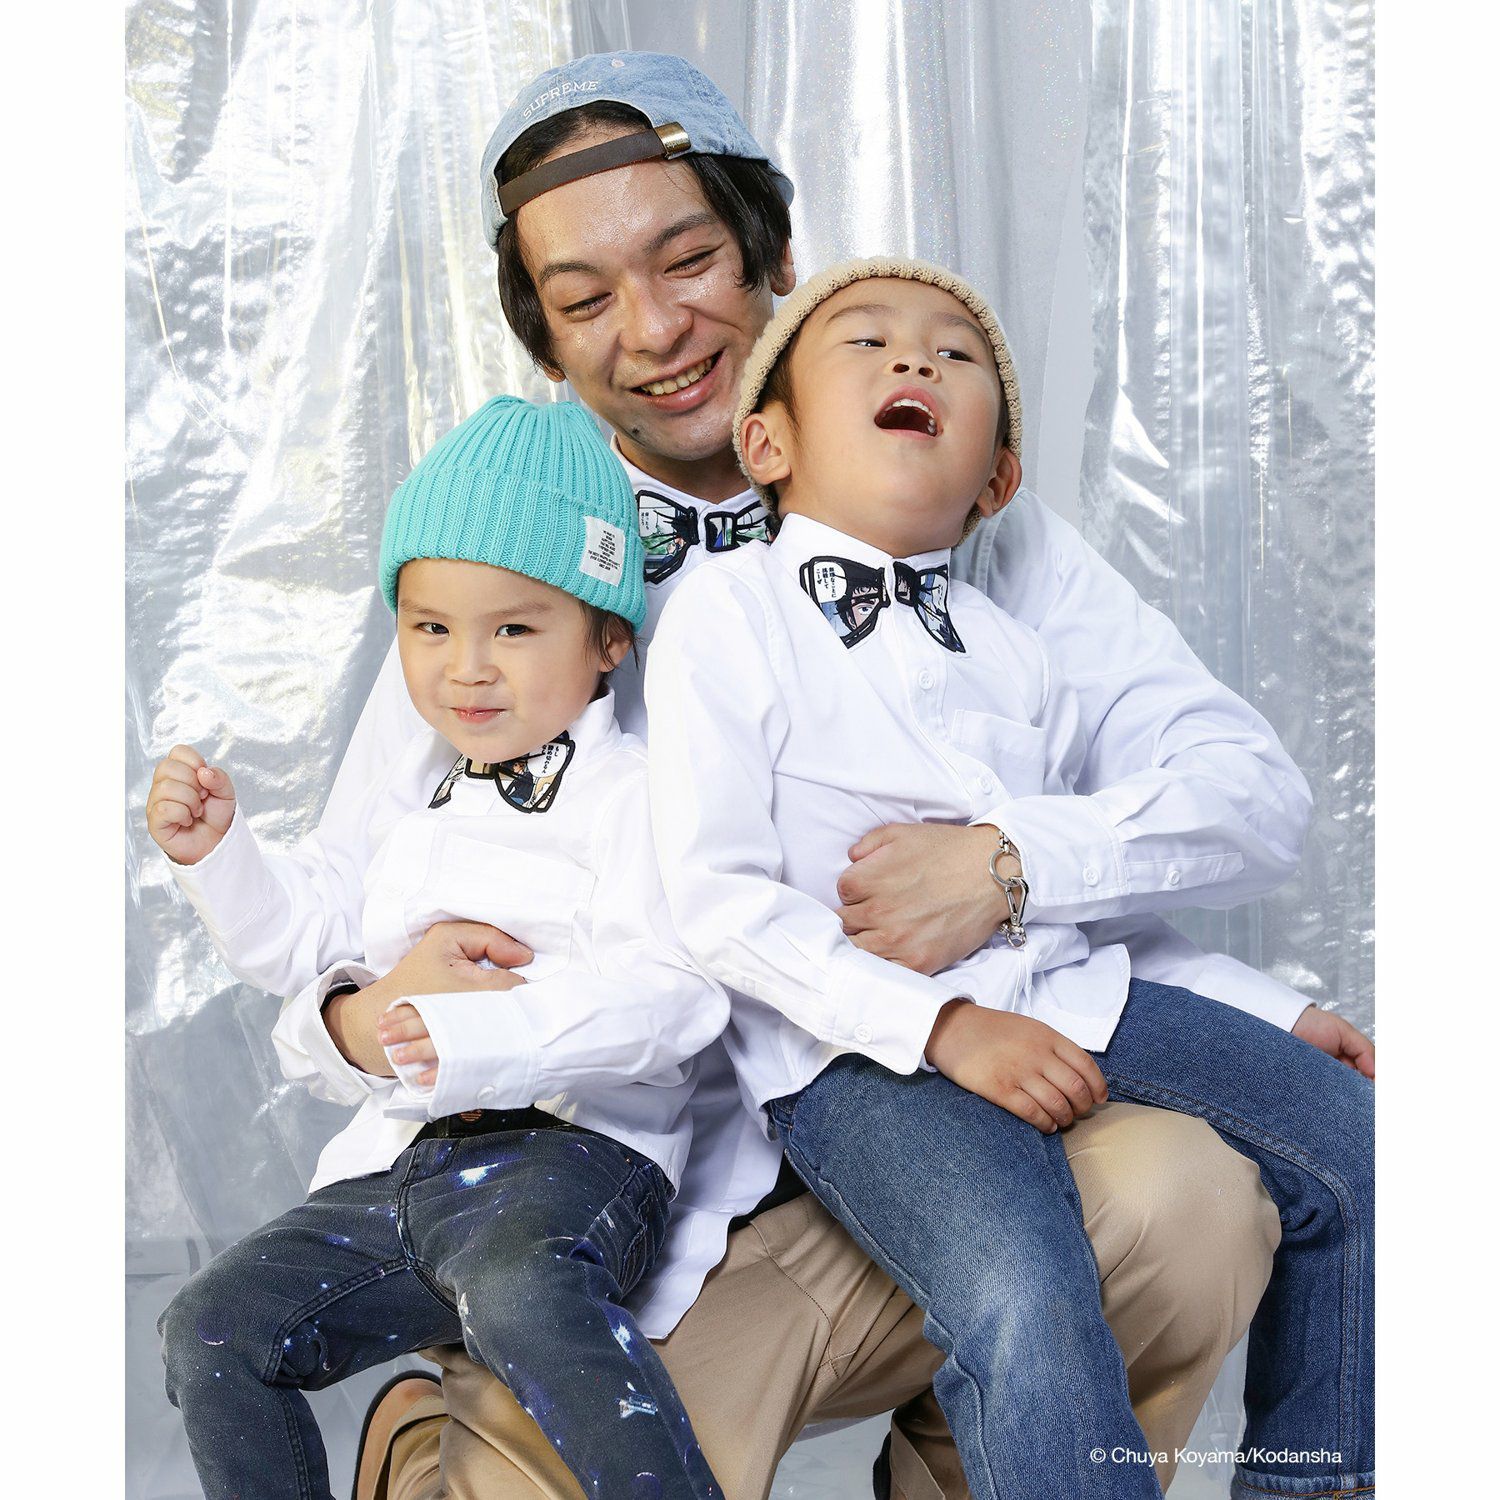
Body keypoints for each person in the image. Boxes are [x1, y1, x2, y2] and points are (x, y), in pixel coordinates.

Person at [317, 51, 1325, 1500]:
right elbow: (333, 922)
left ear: (773, 253)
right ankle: (446, 1442)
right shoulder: (510, 567)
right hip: (658, 1204)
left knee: (1191, 1200)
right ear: (546, 342)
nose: (654, 330)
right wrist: (363, 1008)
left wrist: (1006, 866)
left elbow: (1244, 792)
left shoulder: (964, 512)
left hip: (944, 1125)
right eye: (586, 300)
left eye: (689, 262)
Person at [643, 255, 1374, 1500]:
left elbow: (1069, 916)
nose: (914, 359)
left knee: (1356, 1138)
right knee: (1027, 1285)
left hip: (1064, 1002)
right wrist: (942, 1026)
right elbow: (718, 903)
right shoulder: (728, 614)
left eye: (955, 355)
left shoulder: (1019, 655)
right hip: (858, 1054)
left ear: (999, 481)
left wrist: (1271, 1013)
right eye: (866, 342)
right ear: (767, 442)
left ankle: (1315, 1485)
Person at [149, 397, 730, 1500]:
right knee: (212, 1328)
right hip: (404, 1165)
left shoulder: (636, 798)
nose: (467, 669)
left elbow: (680, 999)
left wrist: (486, 1035)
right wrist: (220, 856)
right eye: (430, 630)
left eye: (513, 630)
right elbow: (306, 942)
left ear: (609, 638)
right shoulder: (419, 803)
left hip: (572, 1157)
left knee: (518, 1297)